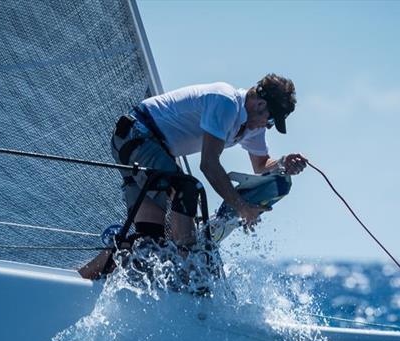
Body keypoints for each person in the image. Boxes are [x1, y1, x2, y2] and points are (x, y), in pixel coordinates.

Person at [78, 73, 307, 280]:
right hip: (137, 134)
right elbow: (209, 164)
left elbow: (260, 165)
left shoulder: (251, 126)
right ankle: (189, 271)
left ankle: (79, 280)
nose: (267, 126)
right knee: (187, 190)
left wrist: (283, 163)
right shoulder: (226, 102)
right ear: (260, 104)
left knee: (150, 242)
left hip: (155, 150)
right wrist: (241, 207)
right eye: (270, 120)